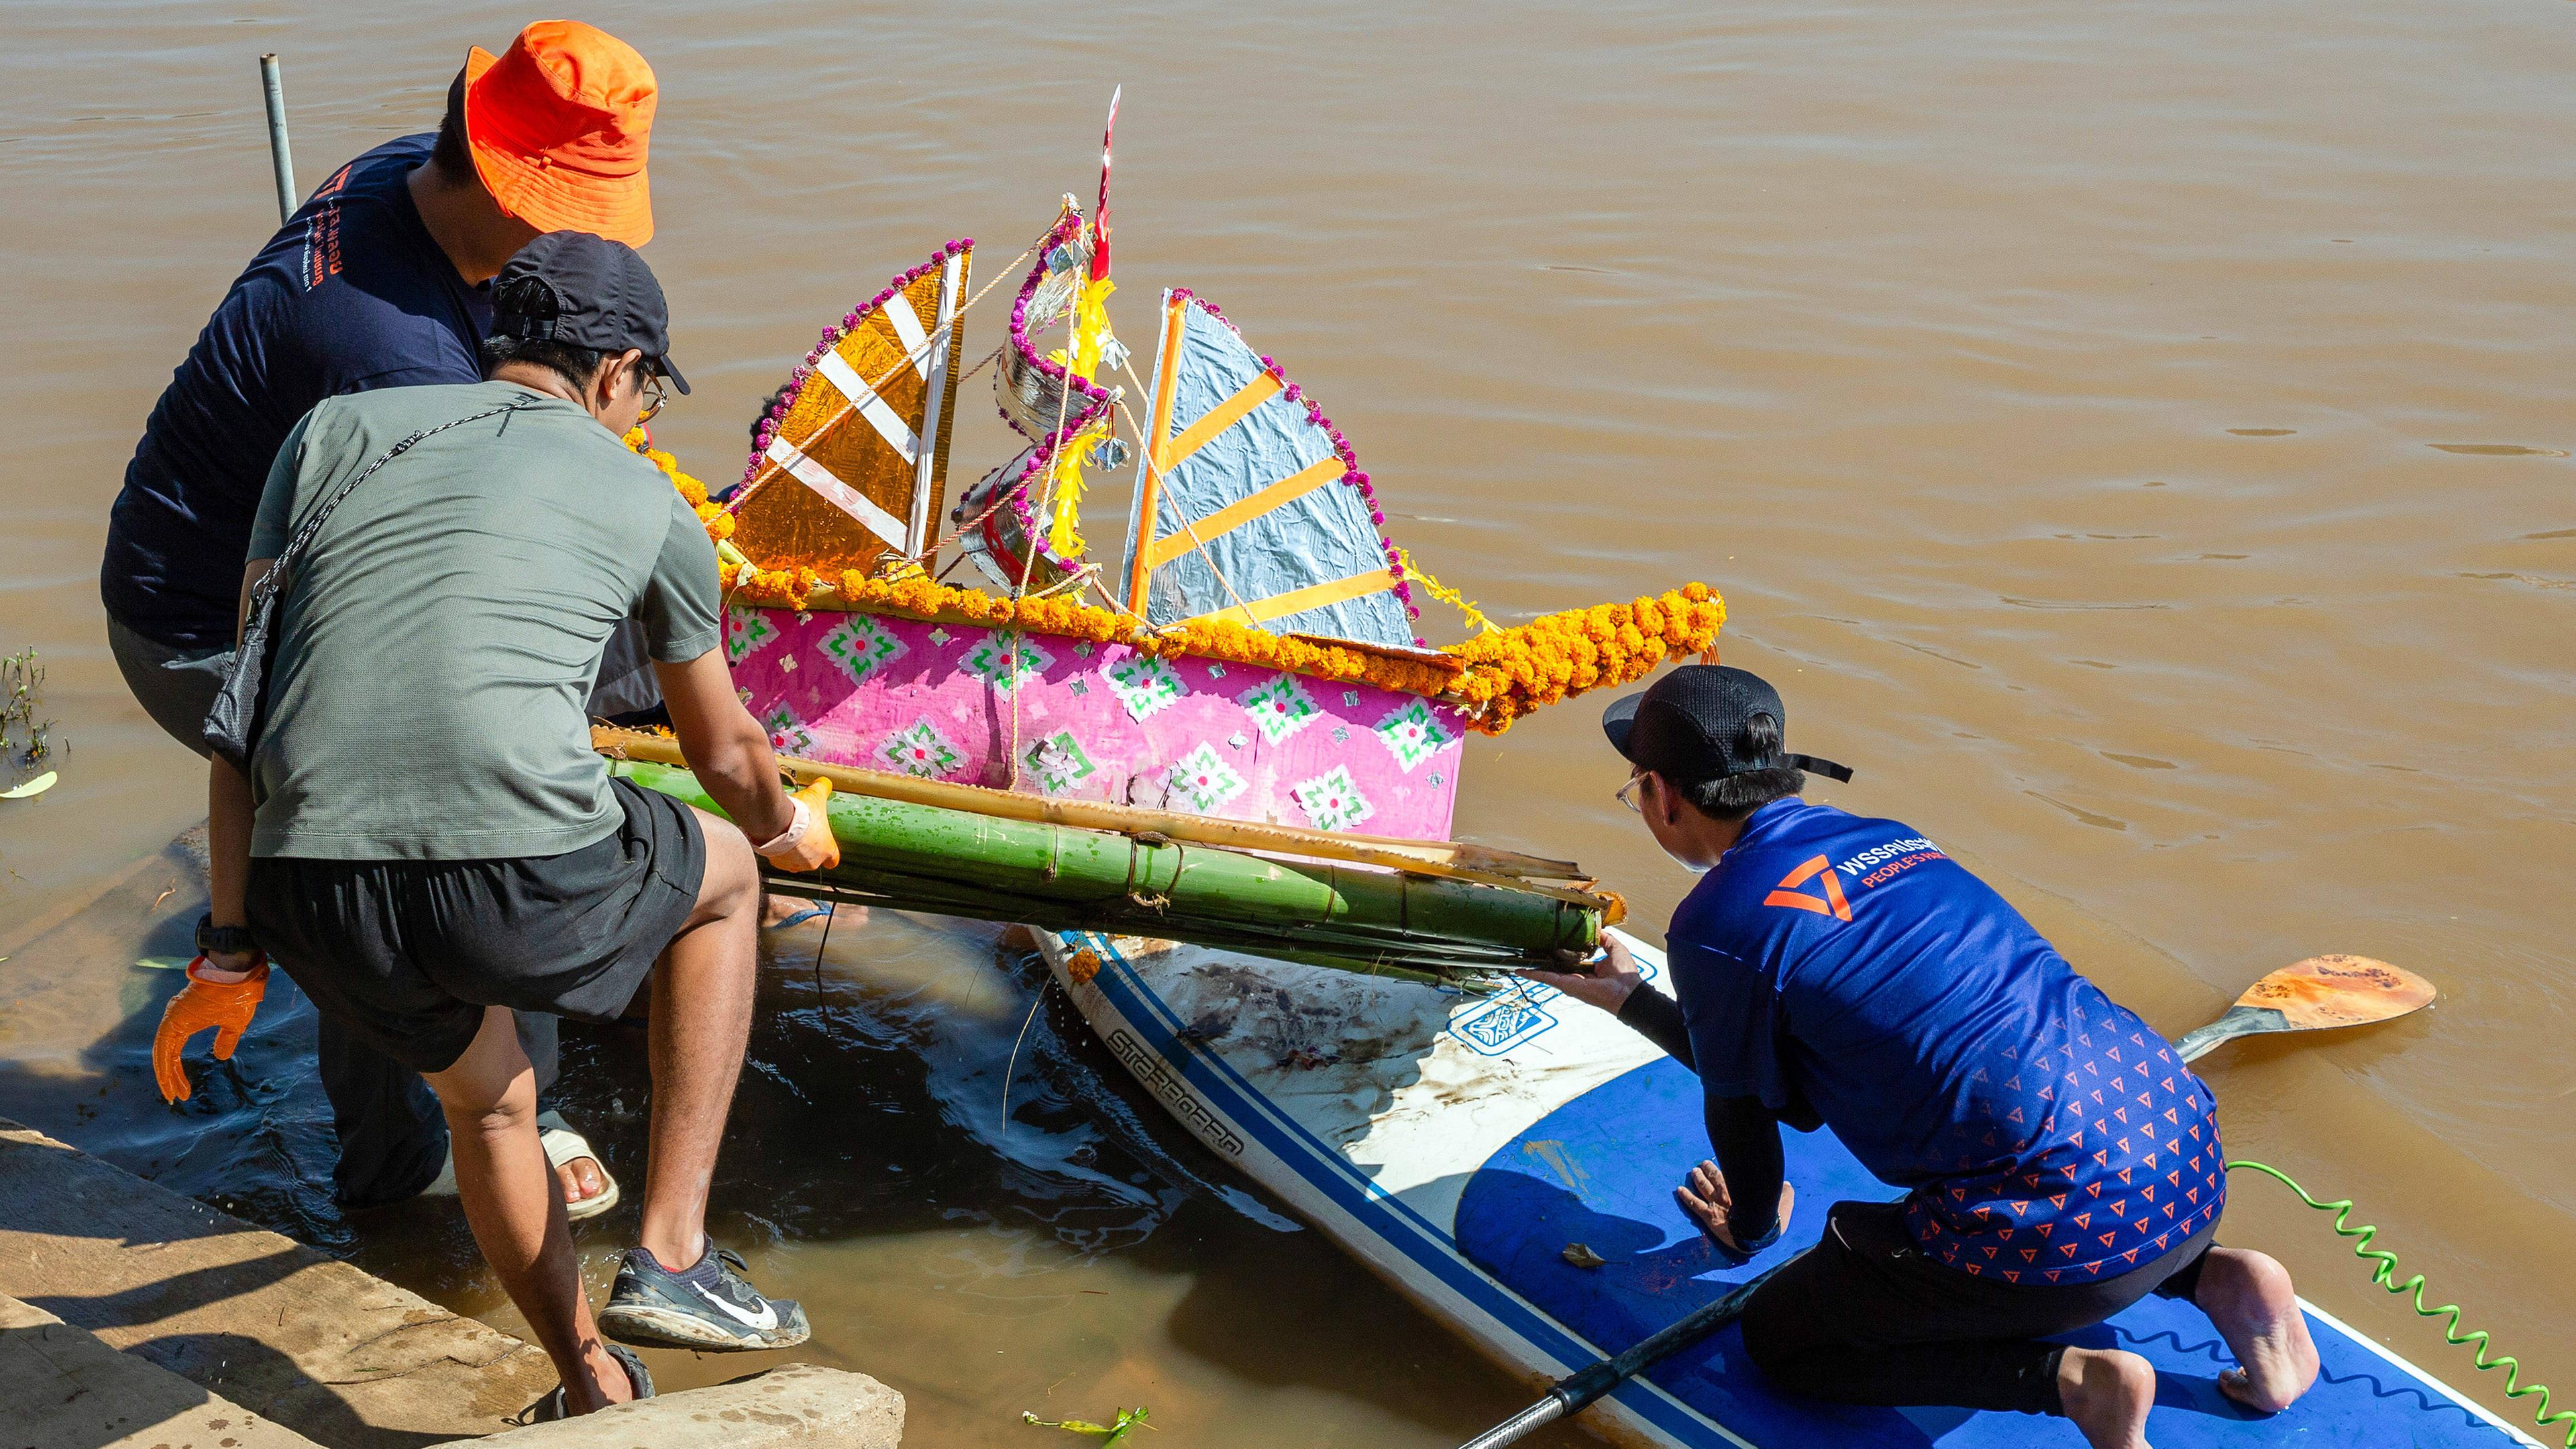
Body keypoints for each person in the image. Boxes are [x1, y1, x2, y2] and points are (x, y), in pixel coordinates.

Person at [175, 232, 837, 1413]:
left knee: (488, 1101)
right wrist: (790, 833)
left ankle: (590, 1379)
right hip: (514, 867)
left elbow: (246, 709)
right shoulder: (648, 498)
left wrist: (228, 950)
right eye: (647, 397)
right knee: (726, 875)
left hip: (309, 885)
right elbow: (728, 759)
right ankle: (676, 1257)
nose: (643, 422)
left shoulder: (327, 434)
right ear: (617, 371)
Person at [125, 21, 659, 1214]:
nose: (572, 240)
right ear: (502, 183)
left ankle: (513, 1068)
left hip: (319, 543)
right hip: (204, 624)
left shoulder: (403, 170)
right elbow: (436, 606)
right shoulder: (392, 358)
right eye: (562, 211)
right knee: (397, 833)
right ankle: (399, 1163)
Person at [1527, 665, 2320, 1449]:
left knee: (1786, 1338)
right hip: (2184, 1150)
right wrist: (1628, 996)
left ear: (1664, 794)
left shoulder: (1717, 919)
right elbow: (1794, 1066)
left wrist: (1750, 1228)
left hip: (2074, 1235)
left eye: (1637, 787)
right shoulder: (1887, 838)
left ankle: (2073, 1384)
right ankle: (2224, 1281)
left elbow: (1748, 1113)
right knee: (2056, 1153)